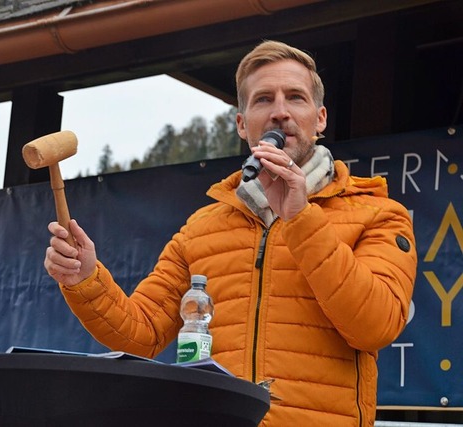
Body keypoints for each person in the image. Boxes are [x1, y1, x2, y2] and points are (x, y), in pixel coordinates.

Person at [44, 40, 417, 426]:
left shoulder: (378, 215)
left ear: (320, 118)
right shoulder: (202, 228)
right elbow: (141, 334)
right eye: (263, 100)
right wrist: (85, 279)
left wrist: (301, 217)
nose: (280, 113)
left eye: (295, 98)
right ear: (242, 124)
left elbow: (374, 327)